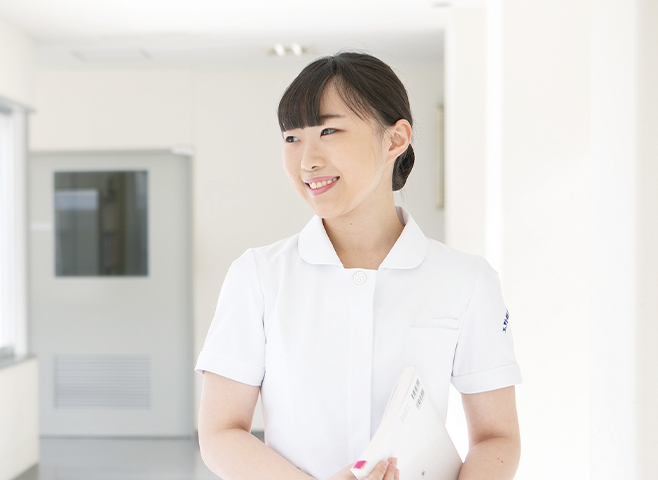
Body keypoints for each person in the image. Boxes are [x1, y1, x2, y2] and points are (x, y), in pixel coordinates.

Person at [195, 52, 521, 480]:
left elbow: (497, 437)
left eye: (328, 130)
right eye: (292, 138)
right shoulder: (258, 276)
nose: (307, 160)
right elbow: (220, 432)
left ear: (395, 139)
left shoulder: (466, 280)